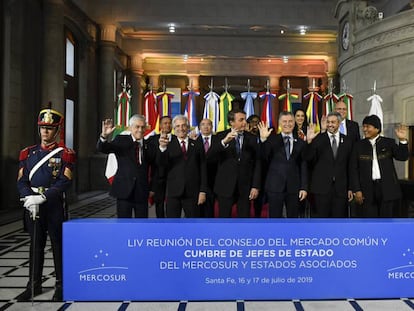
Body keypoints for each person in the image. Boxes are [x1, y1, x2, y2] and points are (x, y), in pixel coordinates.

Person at [17, 108, 76, 301]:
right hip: (32, 206)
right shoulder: (27, 153)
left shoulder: (65, 154)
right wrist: (28, 198)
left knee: (58, 245)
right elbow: (22, 180)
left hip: (53, 206)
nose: (45, 132)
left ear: (57, 130)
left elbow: (64, 181)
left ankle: (61, 285)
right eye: (43, 128)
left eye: (50, 128)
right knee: (36, 246)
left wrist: (43, 197)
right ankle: (33, 284)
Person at [97, 114, 156, 218]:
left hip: (141, 191)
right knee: (123, 224)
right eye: (137, 127)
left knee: (142, 224)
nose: (140, 130)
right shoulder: (121, 140)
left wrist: (152, 188)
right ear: (130, 128)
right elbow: (104, 149)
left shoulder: (149, 144)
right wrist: (104, 136)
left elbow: (154, 168)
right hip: (124, 190)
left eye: (143, 127)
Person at [351, 115, 409, 217]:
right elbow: (353, 169)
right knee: (370, 222)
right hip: (366, 190)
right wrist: (357, 190)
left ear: (377, 128)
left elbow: (402, 157)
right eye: (363, 126)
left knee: (387, 220)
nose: (364, 129)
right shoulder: (358, 146)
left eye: (368, 126)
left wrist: (402, 140)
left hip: (387, 189)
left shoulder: (388, 142)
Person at [211, 108, 261, 218]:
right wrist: (224, 142)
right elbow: (210, 157)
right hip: (225, 187)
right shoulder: (220, 136)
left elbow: (257, 163)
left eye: (245, 119)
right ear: (231, 122)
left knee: (244, 221)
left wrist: (255, 186)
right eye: (241, 120)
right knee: (224, 221)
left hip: (245, 187)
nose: (244, 122)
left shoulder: (252, 138)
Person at [258, 111, 307, 218]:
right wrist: (263, 140)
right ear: (279, 123)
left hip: (294, 187)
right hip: (275, 186)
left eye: (290, 121)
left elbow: (303, 166)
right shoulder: (271, 140)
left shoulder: (301, 142)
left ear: (294, 123)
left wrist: (304, 187)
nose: (287, 124)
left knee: (293, 220)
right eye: (284, 121)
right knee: (274, 219)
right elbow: (263, 157)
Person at [305, 112, 354, 217]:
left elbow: (351, 166)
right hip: (321, 190)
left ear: (339, 123)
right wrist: (309, 142)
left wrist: (351, 187)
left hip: (341, 190)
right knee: (321, 222)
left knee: (339, 222)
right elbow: (308, 159)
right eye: (328, 122)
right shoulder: (318, 139)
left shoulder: (347, 141)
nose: (330, 124)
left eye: (333, 122)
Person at [158, 115, 207, 217]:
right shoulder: (167, 145)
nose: (181, 128)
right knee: (172, 226)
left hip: (192, 192)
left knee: (193, 225)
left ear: (188, 127)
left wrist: (203, 191)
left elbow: (203, 168)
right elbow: (161, 165)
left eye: (184, 125)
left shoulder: (197, 144)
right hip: (173, 192)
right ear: (174, 129)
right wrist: (162, 148)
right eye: (178, 126)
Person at [148, 116, 173, 218]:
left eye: (169, 123)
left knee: (172, 204)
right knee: (159, 204)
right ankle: (160, 225)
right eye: (165, 123)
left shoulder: (177, 139)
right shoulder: (152, 139)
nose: (167, 125)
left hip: (173, 177)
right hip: (157, 177)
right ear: (161, 125)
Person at [197, 118, 218, 217]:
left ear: (212, 127)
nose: (206, 127)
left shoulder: (218, 141)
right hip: (198, 181)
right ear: (199, 127)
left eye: (208, 124)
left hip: (215, 180)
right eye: (203, 124)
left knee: (211, 209)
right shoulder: (193, 142)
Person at [246, 114, 265, 218]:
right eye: (252, 122)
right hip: (249, 173)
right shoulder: (246, 137)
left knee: (259, 202)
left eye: (257, 122)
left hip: (261, 173)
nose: (255, 124)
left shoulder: (264, 136)